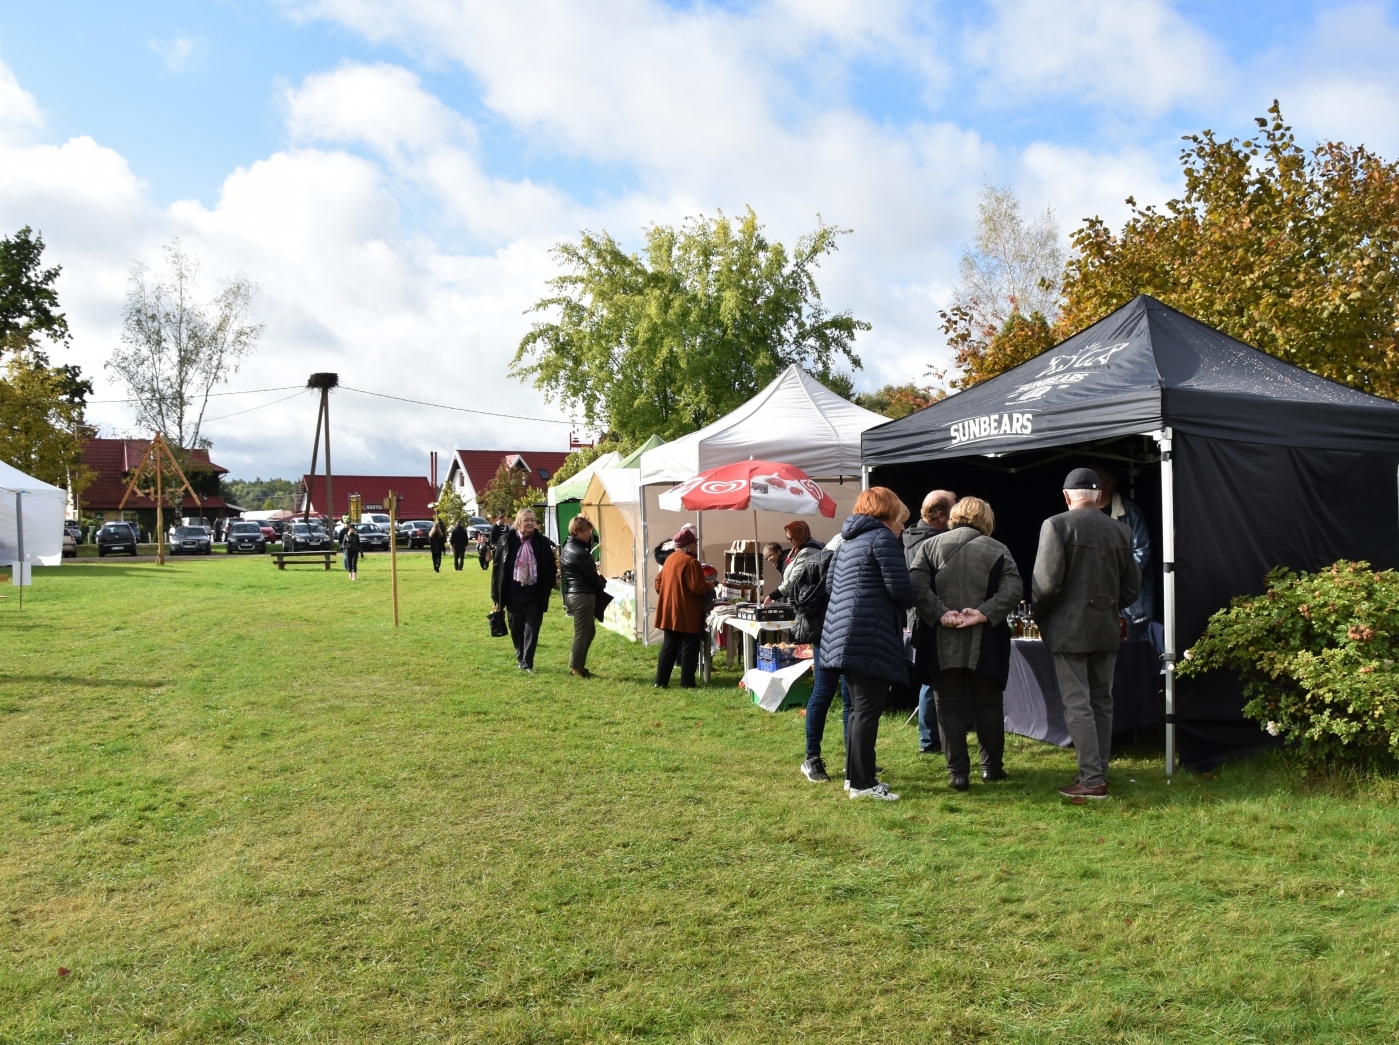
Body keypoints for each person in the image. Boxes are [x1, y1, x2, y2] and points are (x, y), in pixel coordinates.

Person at [1033, 468, 1142, 799]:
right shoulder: (1121, 531)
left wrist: (1042, 615)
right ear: (1098, 497)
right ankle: (1099, 771)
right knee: (1101, 702)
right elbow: (1133, 588)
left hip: (1069, 629)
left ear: (1068, 497)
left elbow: (1045, 584)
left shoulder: (1056, 525)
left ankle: (1092, 780)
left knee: (1078, 703)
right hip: (1106, 626)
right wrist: (1107, 605)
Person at [909, 496, 1022, 790]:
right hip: (986, 638)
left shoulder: (929, 547)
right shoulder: (998, 549)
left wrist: (941, 613)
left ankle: (958, 773)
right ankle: (991, 768)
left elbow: (916, 587)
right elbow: (1013, 591)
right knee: (988, 705)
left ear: (954, 516)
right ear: (986, 519)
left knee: (948, 705)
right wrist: (983, 613)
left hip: (940, 639)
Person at [821, 487, 916, 801]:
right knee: (866, 711)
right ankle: (863, 784)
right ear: (888, 513)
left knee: (856, 711)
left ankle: (854, 778)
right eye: (901, 520)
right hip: (868, 634)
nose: (902, 527)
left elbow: (831, 585)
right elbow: (901, 591)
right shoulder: (883, 538)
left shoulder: (846, 541)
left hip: (840, 634)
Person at [774, 521, 844, 783]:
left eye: (792, 537)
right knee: (824, 693)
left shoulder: (816, 553)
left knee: (846, 697)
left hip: (841, 636)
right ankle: (811, 758)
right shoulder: (822, 559)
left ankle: (854, 758)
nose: (791, 541)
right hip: (827, 635)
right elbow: (799, 595)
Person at [902, 489, 957, 755]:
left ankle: (930, 737)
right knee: (933, 680)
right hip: (932, 618)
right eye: (953, 508)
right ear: (939, 515)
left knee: (930, 679)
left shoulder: (909, 535)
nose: (957, 514)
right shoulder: (934, 542)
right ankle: (929, 739)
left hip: (919, 619)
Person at [491, 508, 558, 672]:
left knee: (532, 628)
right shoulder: (506, 540)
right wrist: (495, 596)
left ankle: (527, 662)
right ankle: (520, 657)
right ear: (518, 522)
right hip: (513, 593)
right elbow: (497, 568)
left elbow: (551, 566)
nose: (529, 523)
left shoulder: (542, 542)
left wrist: (548, 585)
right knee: (516, 627)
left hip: (535, 593)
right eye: (526, 520)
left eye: (532, 520)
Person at [1092, 466, 1153, 638]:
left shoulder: (1131, 513)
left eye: (1096, 482)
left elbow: (1142, 551)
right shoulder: (1084, 515)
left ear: (1110, 484)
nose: (1092, 487)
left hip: (1132, 605)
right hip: (1096, 601)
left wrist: (1116, 575)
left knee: (1132, 653)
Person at [653, 528, 716, 688]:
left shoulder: (670, 559)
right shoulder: (691, 562)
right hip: (686, 611)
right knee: (690, 644)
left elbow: (658, 583)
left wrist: (669, 594)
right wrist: (711, 584)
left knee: (669, 645)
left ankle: (660, 682)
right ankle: (687, 682)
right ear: (688, 546)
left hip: (669, 609)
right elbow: (697, 587)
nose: (696, 546)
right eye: (695, 543)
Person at [560, 514, 607, 678]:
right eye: (587, 531)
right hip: (582, 595)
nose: (589, 534)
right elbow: (591, 576)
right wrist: (602, 584)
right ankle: (576, 668)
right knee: (582, 634)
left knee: (588, 632)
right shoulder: (579, 551)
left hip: (575, 594)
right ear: (577, 531)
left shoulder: (568, 547)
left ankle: (579, 665)